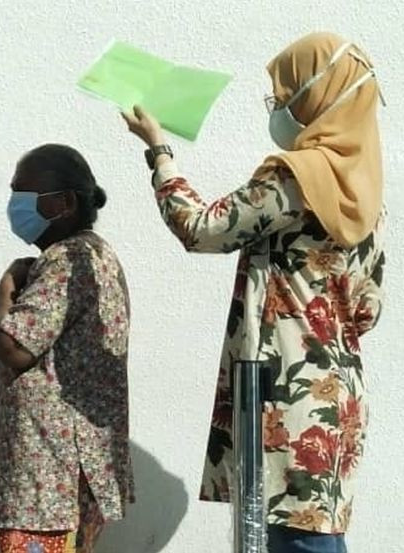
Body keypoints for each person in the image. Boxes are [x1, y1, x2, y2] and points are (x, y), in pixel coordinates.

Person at [123, 32, 384, 553]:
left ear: (317, 97)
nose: (279, 108)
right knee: (311, 533)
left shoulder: (294, 179)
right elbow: (366, 309)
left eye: (285, 96)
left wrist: (159, 151)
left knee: (296, 541)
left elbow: (202, 229)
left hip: (284, 391)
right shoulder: (363, 192)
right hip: (336, 392)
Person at [0, 144, 134, 553]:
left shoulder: (69, 260)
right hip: (56, 479)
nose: (15, 203)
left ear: (64, 203)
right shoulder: (89, 255)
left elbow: (14, 348)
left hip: (46, 483)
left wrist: (8, 286)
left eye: (23, 191)